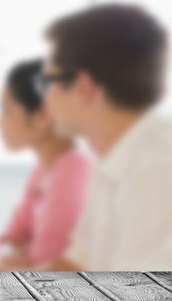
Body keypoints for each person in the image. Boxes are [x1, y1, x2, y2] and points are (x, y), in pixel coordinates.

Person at [39, 4, 172, 271]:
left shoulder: (157, 169)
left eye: (48, 80)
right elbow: (77, 263)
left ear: (82, 87)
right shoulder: (113, 160)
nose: (45, 96)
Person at [0, 59, 90, 272]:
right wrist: (18, 259)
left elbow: (52, 272)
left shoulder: (74, 173)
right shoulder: (44, 170)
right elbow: (9, 239)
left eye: (7, 110)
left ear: (43, 115)